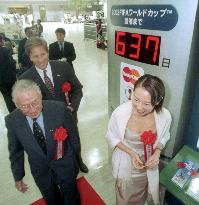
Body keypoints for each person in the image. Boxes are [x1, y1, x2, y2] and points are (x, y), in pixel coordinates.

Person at [19, 37, 88, 173]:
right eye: (35, 56)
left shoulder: (63, 67)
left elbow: (77, 88)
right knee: (55, 147)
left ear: (48, 52)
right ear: (30, 57)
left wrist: (72, 107)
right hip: (47, 122)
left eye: (43, 54)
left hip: (69, 115)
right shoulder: (25, 79)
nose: (40, 60)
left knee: (74, 141)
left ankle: (78, 160)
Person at [5, 79, 80, 205]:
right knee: (51, 199)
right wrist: (18, 176)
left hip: (65, 166)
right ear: (17, 105)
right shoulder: (13, 121)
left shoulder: (59, 109)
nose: (32, 109)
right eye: (24, 106)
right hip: (40, 171)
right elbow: (16, 152)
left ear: (41, 97)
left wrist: (74, 162)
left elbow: (73, 136)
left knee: (71, 197)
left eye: (35, 102)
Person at [106, 74, 172, 205]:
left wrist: (157, 152)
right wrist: (131, 153)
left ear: (157, 101)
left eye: (147, 103)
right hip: (127, 166)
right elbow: (111, 136)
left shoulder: (164, 116)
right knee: (126, 199)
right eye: (136, 99)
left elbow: (164, 137)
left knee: (151, 193)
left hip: (150, 165)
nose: (139, 107)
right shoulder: (120, 113)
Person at [0, 34, 16, 112]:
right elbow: (12, 63)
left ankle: (11, 112)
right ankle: (17, 111)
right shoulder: (5, 50)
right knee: (13, 95)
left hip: (1, 81)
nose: (3, 41)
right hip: (9, 78)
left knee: (6, 97)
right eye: (2, 40)